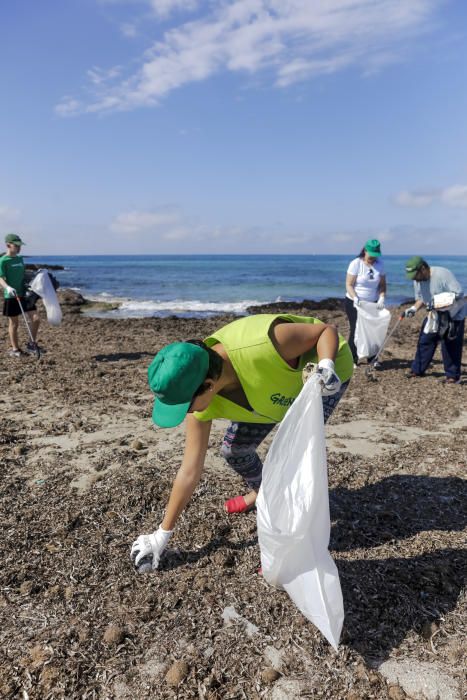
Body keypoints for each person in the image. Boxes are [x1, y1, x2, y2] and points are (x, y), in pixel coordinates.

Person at [130, 313, 354, 572]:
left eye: (185, 406)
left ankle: (286, 545)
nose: (187, 414)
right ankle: (263, 494)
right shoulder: (200, 398)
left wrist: (326, 366)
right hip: (264, 399)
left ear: (208, 385)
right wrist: (162, 533)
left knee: (293, 461)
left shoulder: (262, 345)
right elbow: (189, 470)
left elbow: (327, 331)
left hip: (321, 378)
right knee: (234, 450)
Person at [403, 256, 465, 384]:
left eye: (416, 275)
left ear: (424, 268)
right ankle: (417, 369)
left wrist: (437, 302)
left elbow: (459, 293)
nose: (415, 279)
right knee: (425, 340)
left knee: (450, 343)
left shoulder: (442, 274)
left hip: (453, 313)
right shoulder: (417, 280)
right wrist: (414, 308)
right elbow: (421, 298)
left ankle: (452, 376)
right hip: (435, 314)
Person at [344, 238, 387, 366]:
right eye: (371, 255)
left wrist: (382, 297)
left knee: (372, 331)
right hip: (354, 302)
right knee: (356, 330)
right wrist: (356, 298)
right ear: (365, 251)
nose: (373, 258)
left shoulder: (380, 265)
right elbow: (349, 284)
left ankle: (373, 359)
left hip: (372, 303)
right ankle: (352, 359)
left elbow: (382, 285)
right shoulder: (356, 263)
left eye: (375, 255)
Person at [0, 233, 41, 357]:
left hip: (25, 294)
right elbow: (0, 277)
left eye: (20, 246)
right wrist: (7, 287)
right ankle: (15, 350)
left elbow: (23, 275)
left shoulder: (20, 259)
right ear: (8, 245)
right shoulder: (3, 261)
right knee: (14, 323)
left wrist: (35, 278)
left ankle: (31, 344)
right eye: (16, 245)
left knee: (36, 319)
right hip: (11, 295)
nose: (19, 248)